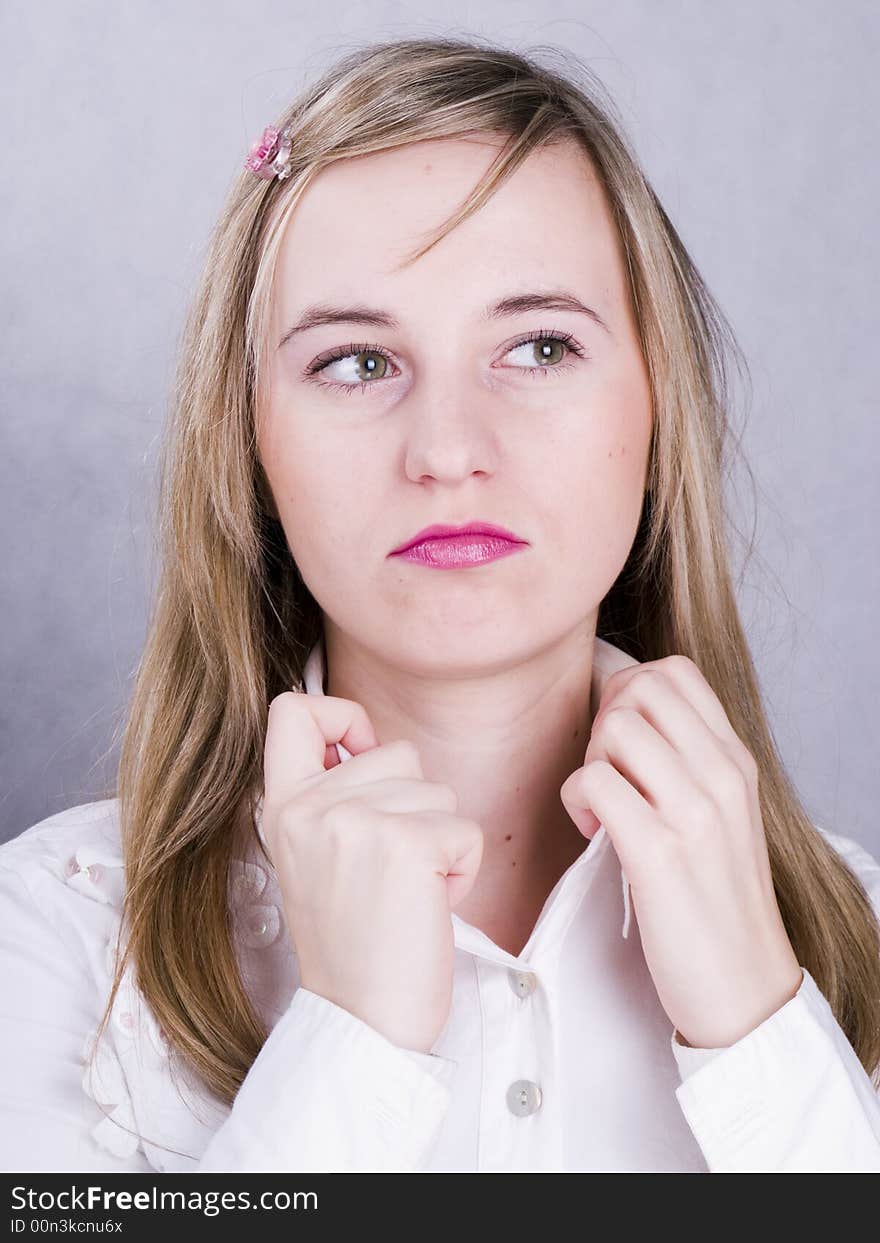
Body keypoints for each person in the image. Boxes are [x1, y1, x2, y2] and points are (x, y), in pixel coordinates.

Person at [2, 36, 879, 1175]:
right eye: (357, 363)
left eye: (539, 345)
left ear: (657, 409)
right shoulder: (50, 946)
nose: (450, 450)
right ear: (248, 445)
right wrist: (350, 1046)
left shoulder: (853, 927)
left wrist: (763, 1032)